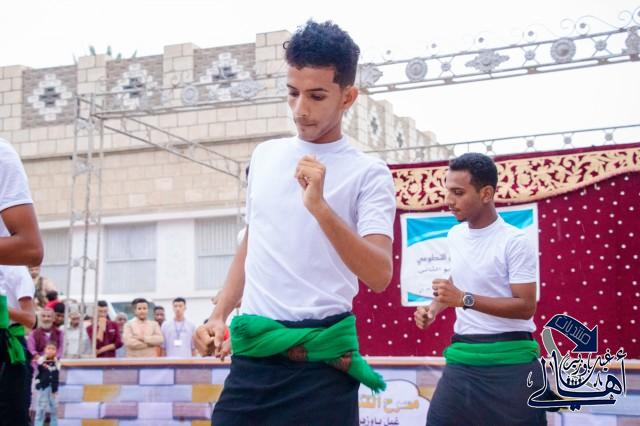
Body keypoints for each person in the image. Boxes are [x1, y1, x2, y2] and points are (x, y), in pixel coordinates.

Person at [194, 20, 396, 425]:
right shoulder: (265, 156)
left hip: (323, 370)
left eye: (317, 96)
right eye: (292, 92)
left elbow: (379, 274)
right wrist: (217, 315)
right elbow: (253, 243)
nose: (301, 109)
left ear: (348, 97)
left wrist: (320, 208)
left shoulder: (368, 173)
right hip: (253, 364)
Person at [414, 153, 546, 426]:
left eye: (458, 193)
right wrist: (433, 309)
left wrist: (464, 299)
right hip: (463, 362)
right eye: (448, 191)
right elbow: (460, 278)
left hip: (512, 365)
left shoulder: (515, 241)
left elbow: (525, 307)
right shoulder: (455, 235)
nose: (449, 200)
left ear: (486, 193)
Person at [0, 136, 44, 425]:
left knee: (13, 415)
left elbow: (32, 319)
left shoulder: (16, 271)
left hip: (11, 346)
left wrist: (4, 310)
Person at [33, 342, 60, 426]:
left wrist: (56, 388)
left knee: (55, 408)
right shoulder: (41, 362)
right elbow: (37, 375)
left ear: (56, 351)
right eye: (48, 348)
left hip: (54, 389)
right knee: (41, 407)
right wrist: (37, 383)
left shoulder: (57, 362)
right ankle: (38, 424)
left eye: (53, 349)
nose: (50, 350)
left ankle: (54, 424)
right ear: (45, 350)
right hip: (43, 388)